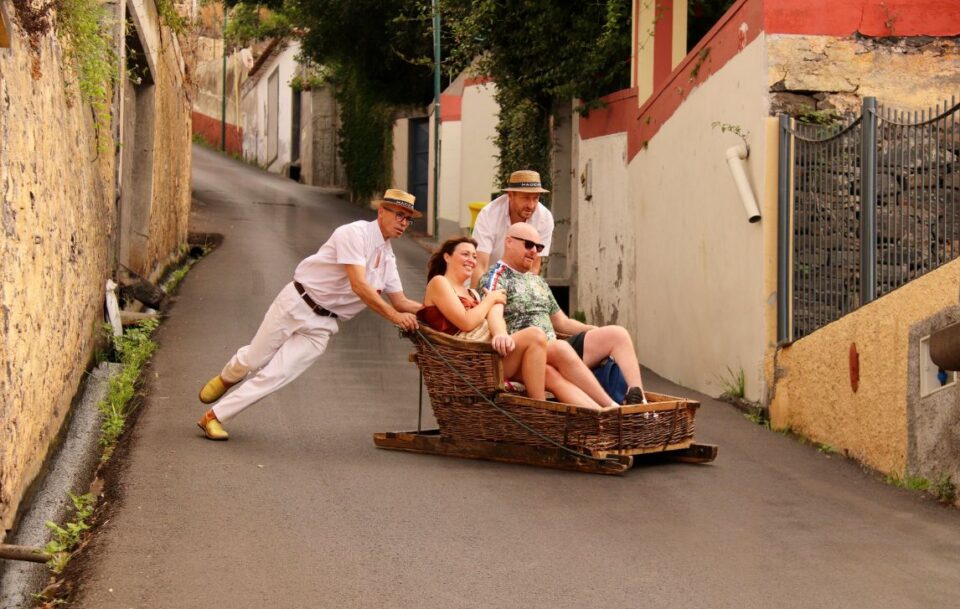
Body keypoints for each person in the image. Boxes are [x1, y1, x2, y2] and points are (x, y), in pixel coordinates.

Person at [195, 189, 423, 440]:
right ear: (381, 211)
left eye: (408, 219)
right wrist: (394, 317)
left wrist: (443, 308)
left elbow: (401, 301)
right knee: (254, 359)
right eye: (400, 215)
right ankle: (229, 376)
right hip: (298, 302)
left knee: (276, 376)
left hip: (324, 325)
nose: (404, 223)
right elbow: (359, 285)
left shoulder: (388, 257)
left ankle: (214, 417)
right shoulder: (353, 234)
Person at [419, 237, 605, 408]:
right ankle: (540, 411)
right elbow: (466, 322)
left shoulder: (473, 293)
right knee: (535, 335)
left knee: (550, 374)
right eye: (465, 254)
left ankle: (601, 414)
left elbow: (492, 319)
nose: (471, 260)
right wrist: (490, 300)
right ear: (447, 257)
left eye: (474, 256)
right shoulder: (439, 282)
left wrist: (499, 330)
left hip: (488, 355)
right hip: (470, 362)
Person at [480, 222, 649, 409]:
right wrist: (500, 334)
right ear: (509, 242)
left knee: (617, 334)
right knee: (559, 349)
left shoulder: (537, 281)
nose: (534, 251)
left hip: (556, 347)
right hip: (528, 352)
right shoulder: (497, 276)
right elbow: (494, 311)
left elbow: (561, 321)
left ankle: (639, 401)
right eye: (528, 245)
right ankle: (611, 407)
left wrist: (593, 330)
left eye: (539, 247)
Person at [470, 169, 555, 288]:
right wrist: (478, 302)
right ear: (510, 195)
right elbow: (480, 266)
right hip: (488, 280)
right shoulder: (489, 214)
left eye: (535, 198)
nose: (531, 205)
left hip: (519, 285)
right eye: (525, 198)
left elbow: (533, 268)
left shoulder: (544, 218)